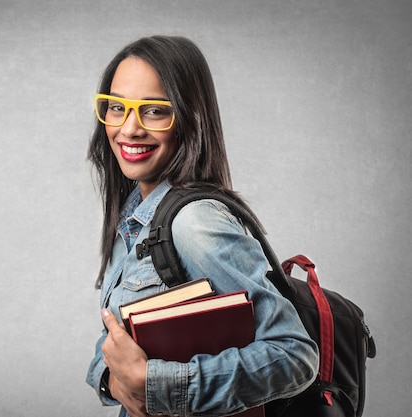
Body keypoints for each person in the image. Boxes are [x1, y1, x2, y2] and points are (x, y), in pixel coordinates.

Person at [85, 35, 319, 417]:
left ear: (190, 118)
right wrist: (112, 378)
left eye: (155, 111)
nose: (129, 129)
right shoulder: (133, 218)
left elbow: (294, 356)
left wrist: (155, 385)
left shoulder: (195, 222)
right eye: (116, 107)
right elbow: (115, 342)